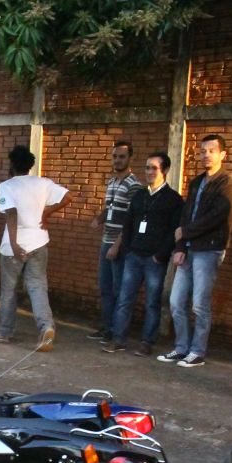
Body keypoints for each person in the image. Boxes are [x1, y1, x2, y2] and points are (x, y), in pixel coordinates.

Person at [158, 133, 232, 368]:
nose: (206, 155)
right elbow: (186, 216)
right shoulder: (196, 182)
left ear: (222, 155)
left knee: (199, 304)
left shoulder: (227, 184)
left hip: (210, 249)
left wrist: (186, 232)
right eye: (203, 151)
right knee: (176, 301)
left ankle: (197, 351)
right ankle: (181, 347)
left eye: (211, 151)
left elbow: (217, 218)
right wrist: (180, 246)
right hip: (189, 248)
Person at [104, 152, 183, 355]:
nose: (149, 172)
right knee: (124, 297)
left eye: (154, 168)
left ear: (164, 170)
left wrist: (161, 255)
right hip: (134, 255)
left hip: (154, 259)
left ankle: (147, 342)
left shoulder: (173, 199)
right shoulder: (140, 195)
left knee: (152, 301)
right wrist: (128, 249)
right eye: (147, 167)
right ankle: (119, 338)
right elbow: (128, 223)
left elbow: (174, 230)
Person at [0, 144, 73, 351]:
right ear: (30, 165)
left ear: (12, 164)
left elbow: (11, 213)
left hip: (13, 245)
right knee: (37, 287)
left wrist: (13, 243)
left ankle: (5, 331)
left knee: (9, 289)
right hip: (39, 241)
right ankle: (46, 327)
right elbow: (68, 197)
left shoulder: (7, 186)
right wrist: (47, 214)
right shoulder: (43, 183)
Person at [90, 140, 141, 342]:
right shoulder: (111, 182)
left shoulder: (134, 185)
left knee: (120, 290)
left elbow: (131, 218)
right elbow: (110, 207)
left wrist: (117, 245)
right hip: (106, 240)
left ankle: (118, 332)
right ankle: (106, 327)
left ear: (130, 158)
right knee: (105, 287)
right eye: (115, 156)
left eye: (122, 157)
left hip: (119, 244)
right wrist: (99, 219)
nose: (117, 160)